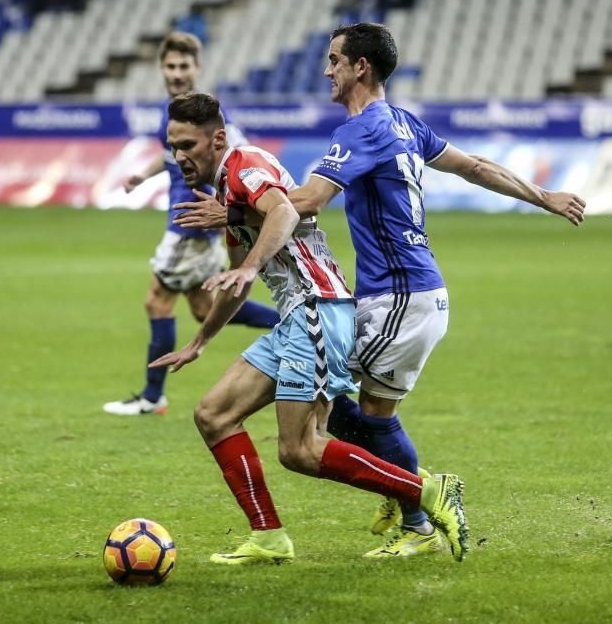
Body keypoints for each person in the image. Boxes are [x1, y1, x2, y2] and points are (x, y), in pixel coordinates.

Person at [172, 22, 585, 558]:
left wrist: (232, 213)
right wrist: (543, 196)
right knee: (345, 400)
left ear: (359, 67)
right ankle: (401, 491)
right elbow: (476, 166)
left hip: (400, 296)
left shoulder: (361, 130)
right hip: (406, 295)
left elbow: (307, 201)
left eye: (334, 61)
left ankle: (415, 501)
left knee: (332, 419)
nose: (327, 71)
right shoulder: (404, 124)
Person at [150, 92, 468, 565]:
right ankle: (268, 538)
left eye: (188, 145)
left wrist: (250, 263)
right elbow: (237, 282)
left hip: (317, 310)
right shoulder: (226, 192)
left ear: (217, 138)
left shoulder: (245, 164)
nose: (179, 157)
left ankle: (426, 491)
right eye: (173, 146)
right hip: (299, 315)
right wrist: (199, 342)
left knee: (299, 449)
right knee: (213, 415)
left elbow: (287, 211)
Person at [103, 32, 279, 417]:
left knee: (157, 301)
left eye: (184, 66)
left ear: (197, 68)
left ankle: (153, 397)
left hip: (192, 223)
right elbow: (170, 156)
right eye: (171, 66)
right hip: (189, 220)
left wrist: (226, 206)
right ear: (162, 68)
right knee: (203, 308)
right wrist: (142, 177)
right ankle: (287, 320)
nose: (177, 72)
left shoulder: (208, 115)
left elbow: (240, 154)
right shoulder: (177, 109)